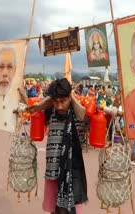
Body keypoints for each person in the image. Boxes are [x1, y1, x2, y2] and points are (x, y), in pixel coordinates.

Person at [27, 78, 88, 214]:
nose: (59, 106)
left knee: (72, 210)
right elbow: (34, 108)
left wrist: (70, 95)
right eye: (56, 102)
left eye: (63, 101)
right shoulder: (50, 111)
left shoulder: (75, 111)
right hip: (53, 170)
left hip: (71, 170)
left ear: (69, 98)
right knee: (54, 209)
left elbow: (83, 113)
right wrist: (45, 102)